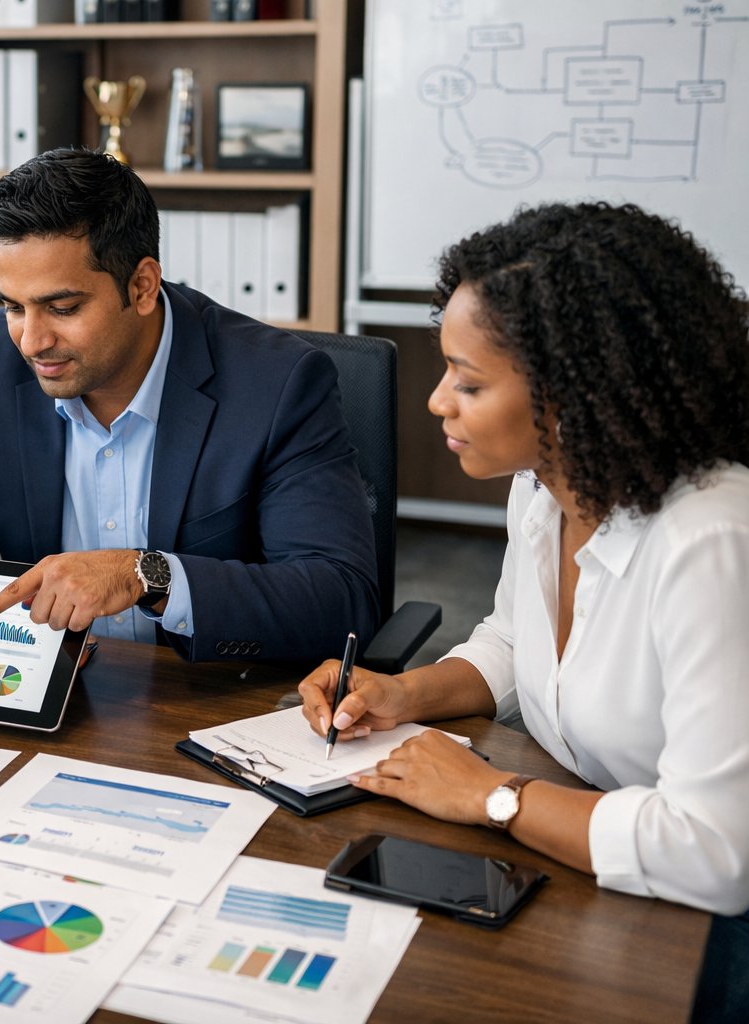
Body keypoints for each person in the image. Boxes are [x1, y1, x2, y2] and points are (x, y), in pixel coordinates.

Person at [295, 202, 749, 1020]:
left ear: (572, 395)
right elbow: (514, 640)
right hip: (597, 867)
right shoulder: (544, 489)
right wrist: (404, 693)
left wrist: (492, 796)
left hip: (707, 924)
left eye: (468, 382)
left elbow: (712, 853)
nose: (437, 401)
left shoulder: (710, 542)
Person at [0, 148, 377, 721]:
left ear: (142, 286)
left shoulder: (276, 382)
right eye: (13, 307)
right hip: (49, 694)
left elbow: (339, 598)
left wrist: (147, 575)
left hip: (213, 704)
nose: (31, 341)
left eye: (62, 307)